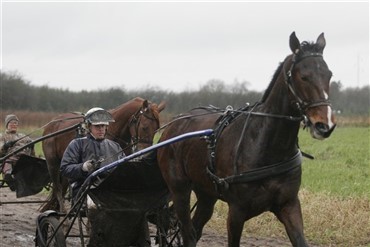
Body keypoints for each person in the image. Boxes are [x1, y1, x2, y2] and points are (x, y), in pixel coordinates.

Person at [60, 107, 125, 201]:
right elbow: (65, 169)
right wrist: (83, 167)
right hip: (84, 191)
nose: (101, 129)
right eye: (97, 126)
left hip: (111, 192)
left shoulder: (115, 146)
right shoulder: (77, 144)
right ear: (89, 126)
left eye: (103, 126)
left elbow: (124, 169)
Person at [0, 114, 35, 191]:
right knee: (7, 161)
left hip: (25, 159)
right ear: (7, 125)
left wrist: (32, 145)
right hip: (11, 159)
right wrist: (5, 146)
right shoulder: (3, 136)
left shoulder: (23, 136)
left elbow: (32, 152)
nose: (13, 125)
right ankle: (8, 176)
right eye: (11, 123)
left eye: (15, 123)